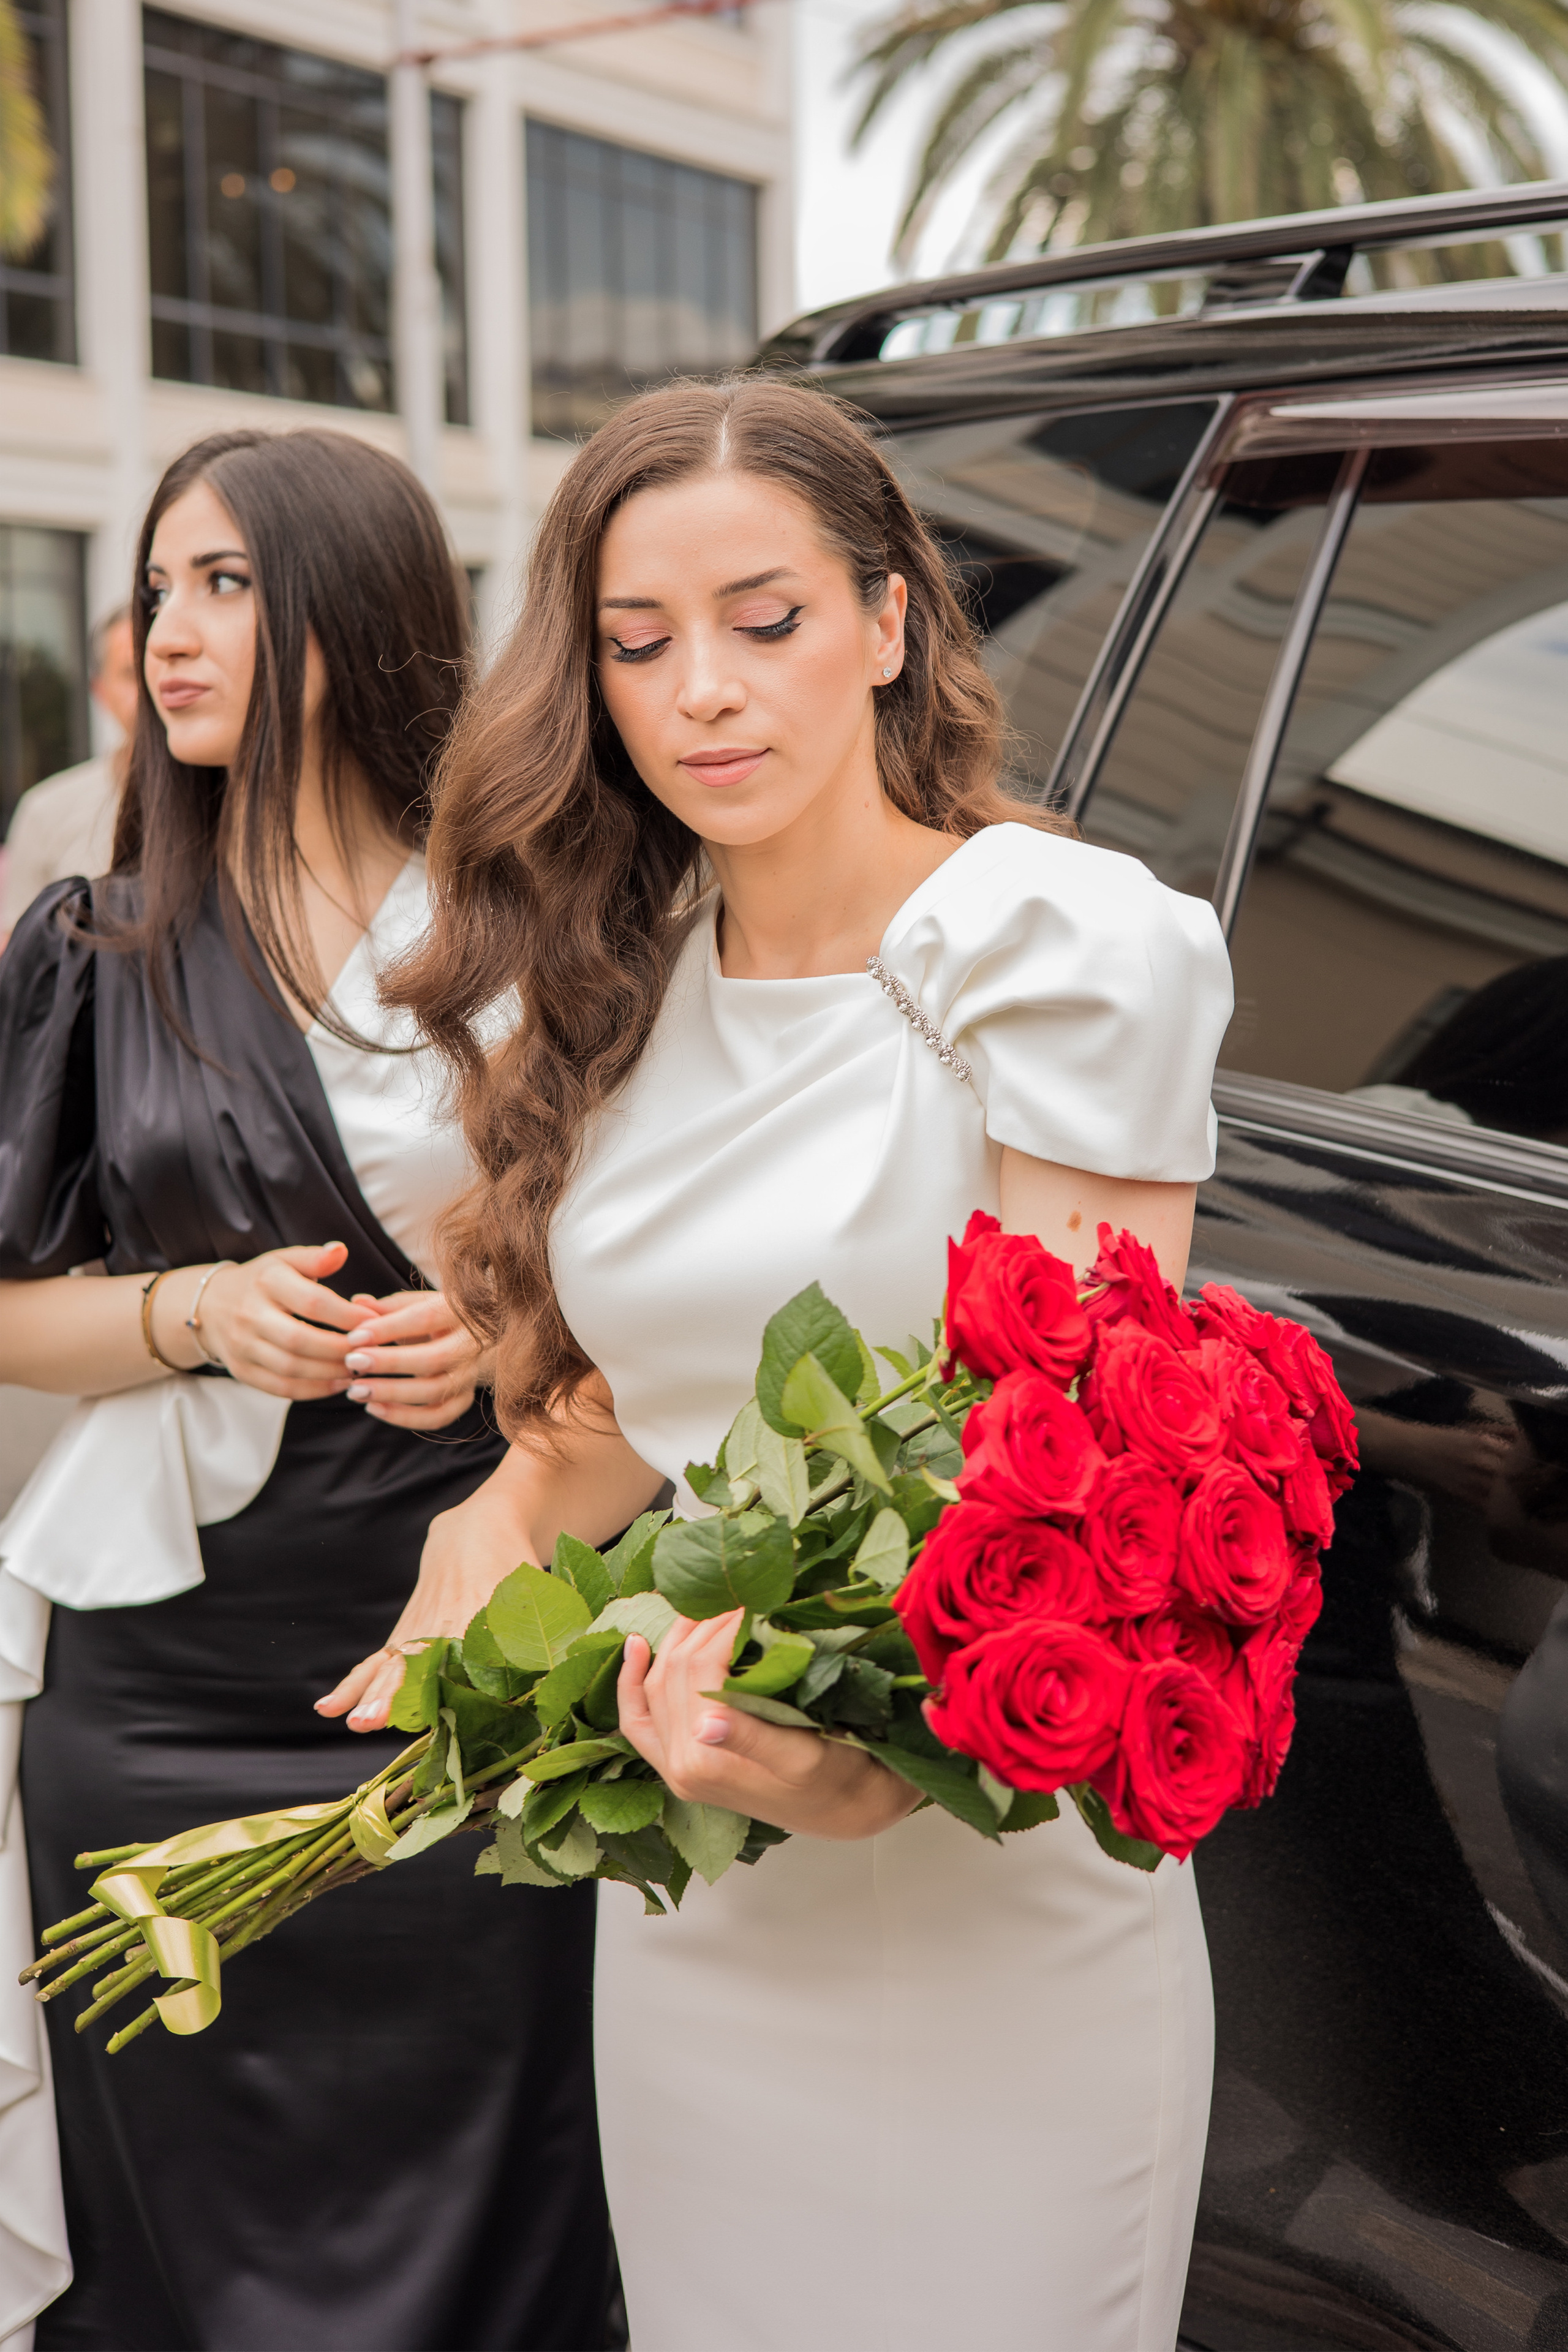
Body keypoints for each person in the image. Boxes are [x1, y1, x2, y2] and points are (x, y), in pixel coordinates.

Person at [326, 379, 1234, 2351]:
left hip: (980, 1848)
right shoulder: (624, 976)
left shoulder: (1053, 940)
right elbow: (610, 1404)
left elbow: (1094, 1459)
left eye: (769, 619)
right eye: (636, 646)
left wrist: (862, 1770)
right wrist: (497, 1517)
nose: (701, 694)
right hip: (710, 1862)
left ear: (892, 620)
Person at [0, 429, 612, 2351]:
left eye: (224, 585)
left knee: (492, 2189)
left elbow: (671, 1283)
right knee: (171, 2216)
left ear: (353, 605)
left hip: (474, 1647)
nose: (165, 632)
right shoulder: (96, 952)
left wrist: (512, 1335)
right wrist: (189, 1310)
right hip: (162, 1667)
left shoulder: (544, 926)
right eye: (157, 586)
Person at [1, 606, 138, 942]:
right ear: (101, 691)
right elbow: (19, 957)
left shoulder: (245, 802)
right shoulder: (45, 810)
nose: (157, 686)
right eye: (132, 673)